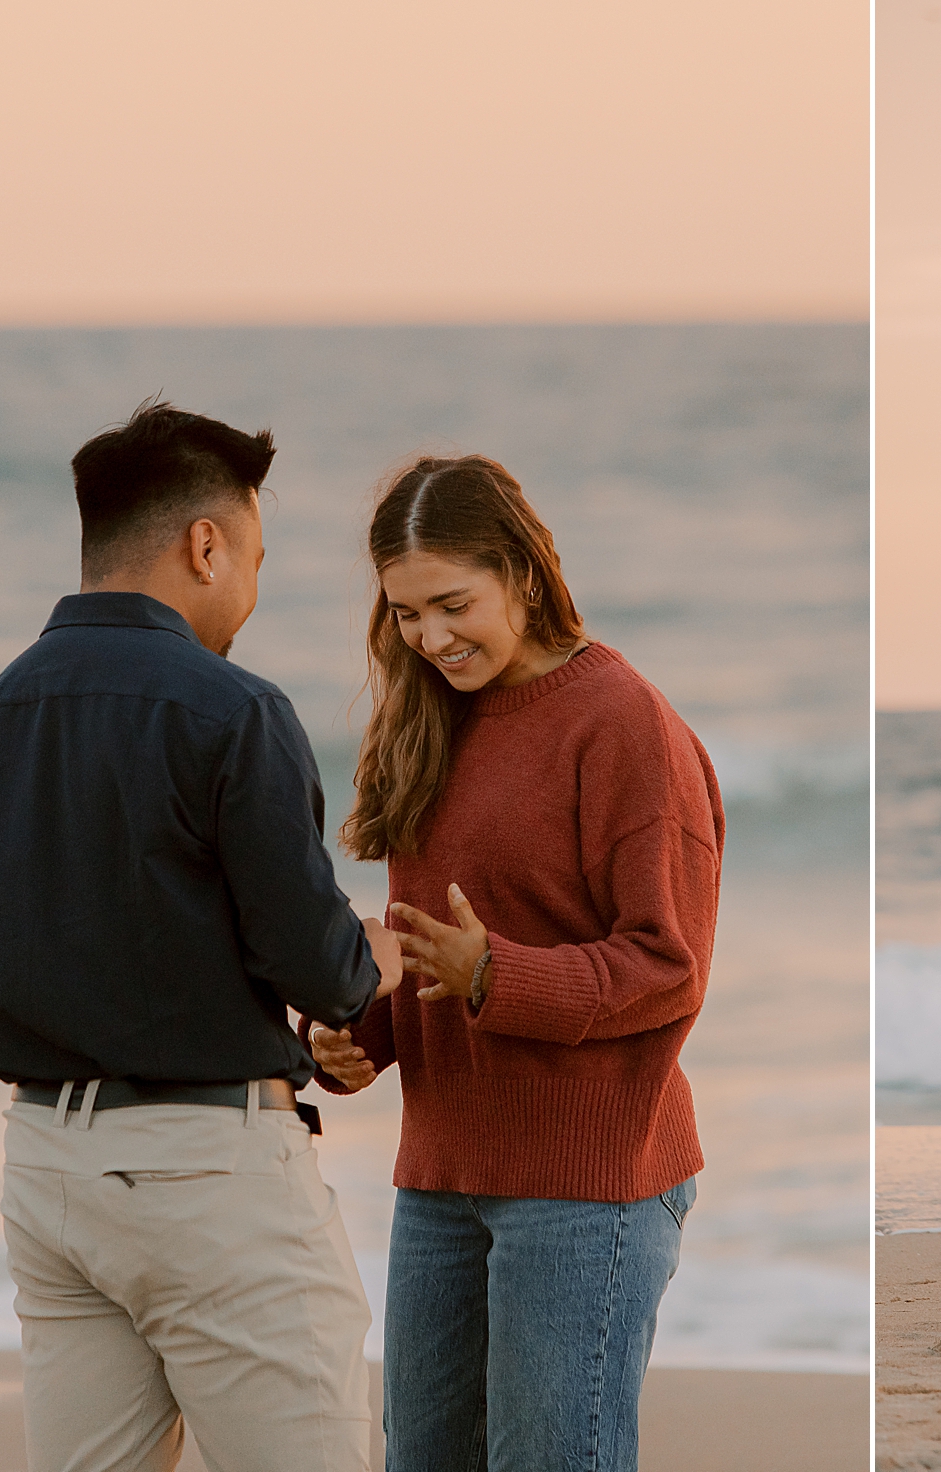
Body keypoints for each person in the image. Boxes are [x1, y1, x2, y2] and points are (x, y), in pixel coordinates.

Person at [0, 400, 405, 1472]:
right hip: (207, 1175)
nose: (252, 596)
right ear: (203, 543)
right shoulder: (233, 709)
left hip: (46, 1172)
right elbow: (315, 965)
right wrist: (377, 958)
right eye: (255, 559)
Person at [304, 455, 723, 1472]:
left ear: (521, 575)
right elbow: (424, 945)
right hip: (441, 1175)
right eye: (406, 614)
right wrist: (359, 1034)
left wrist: (498, 973)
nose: (430, 637)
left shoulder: (621, 718)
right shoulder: (426, 716)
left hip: (585, 1186)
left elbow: (667, 963)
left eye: (453, 604)